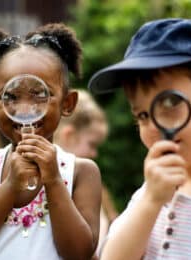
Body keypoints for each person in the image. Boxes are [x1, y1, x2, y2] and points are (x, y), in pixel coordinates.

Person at [0, 23, 102, 259]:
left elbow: (80, 252)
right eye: (10, 96)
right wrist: (11, 186)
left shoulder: (81, 172)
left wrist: (53, 180)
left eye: (40, 94)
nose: (24, 110)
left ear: (68, 103)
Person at [88, 18, 191, 259]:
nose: (153, 126)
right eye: (142, 115)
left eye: (171, 103)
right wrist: (150, 201)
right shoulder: (152, 191)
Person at [53, 89, 118, 255]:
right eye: (92, 144)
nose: (94, 154)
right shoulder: (54, 188)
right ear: (69, 135)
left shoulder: (93, 187)